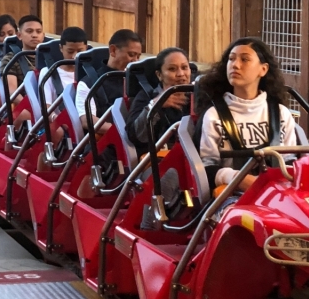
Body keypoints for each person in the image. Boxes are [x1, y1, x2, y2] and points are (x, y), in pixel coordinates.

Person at [197, 37, 297, 193]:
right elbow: (206, 169)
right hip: (230, 197)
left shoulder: (281, 113)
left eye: (244, 59)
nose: (235, 65)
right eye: (231, 59)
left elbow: (290, 161)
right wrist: (237, 178)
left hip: (277, 194)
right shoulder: (214, 115)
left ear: (263, 69)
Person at [126, 47, 191, 157]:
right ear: (159, 75)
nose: (181, 74)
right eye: (172, 69)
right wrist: (155, 106)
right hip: (158, 161)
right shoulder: (146, 97)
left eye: (184, 67)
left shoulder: (199, 97)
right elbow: (136, 136)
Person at [74, 28, 142, 129]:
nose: (135, 61)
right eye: (131, 55)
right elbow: (87, 121)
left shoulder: (139, 81)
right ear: (113, 50)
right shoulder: (88, 83)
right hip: (108, 139)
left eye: (138, 56)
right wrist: (122, 132)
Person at [41, 26, 88, 106]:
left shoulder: (91, 74)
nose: (74, 56)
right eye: (70, 51)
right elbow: (46, 106)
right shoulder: (48, 72)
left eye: (80, 51)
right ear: (61, 48)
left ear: (86, 48)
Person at [0, 15, 44, 94]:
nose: (34, 35)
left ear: (43, 36)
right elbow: (11, 91)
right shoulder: (11, 59)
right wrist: (32, 106)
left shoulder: (50, 58)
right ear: (19, 35)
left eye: (38, 31)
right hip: (24, 104)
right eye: (29, 31)